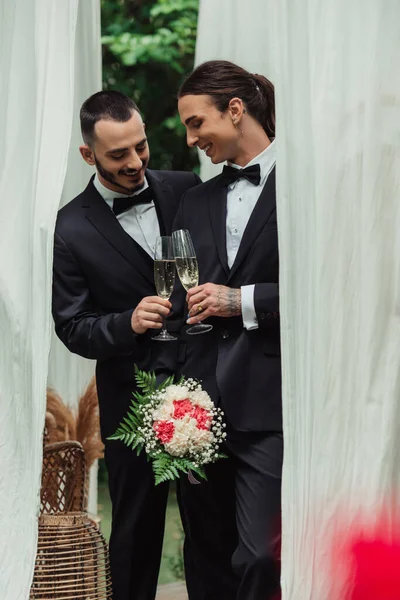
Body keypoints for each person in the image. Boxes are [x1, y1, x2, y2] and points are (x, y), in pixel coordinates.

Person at [52, 90, 201, 600]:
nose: (136, 162)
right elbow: (72, 327)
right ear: (87, 154)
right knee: (136, 530)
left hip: (207, 383)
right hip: (129, 397)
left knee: (212, 525)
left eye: (141, 147)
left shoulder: (187, 189)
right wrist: (126, 321)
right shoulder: (70, 227)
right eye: (119, 154)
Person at [171, 60, 282, 600]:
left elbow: (332, 291)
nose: (192, 139)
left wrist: (241, 301)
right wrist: (174, 405)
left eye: (196, 123)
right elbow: (179, 298)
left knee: (261, 555)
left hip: (272, 408)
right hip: (199, 411)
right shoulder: (194, 200)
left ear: (235, 110)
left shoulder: (307, 190)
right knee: (206, 555)